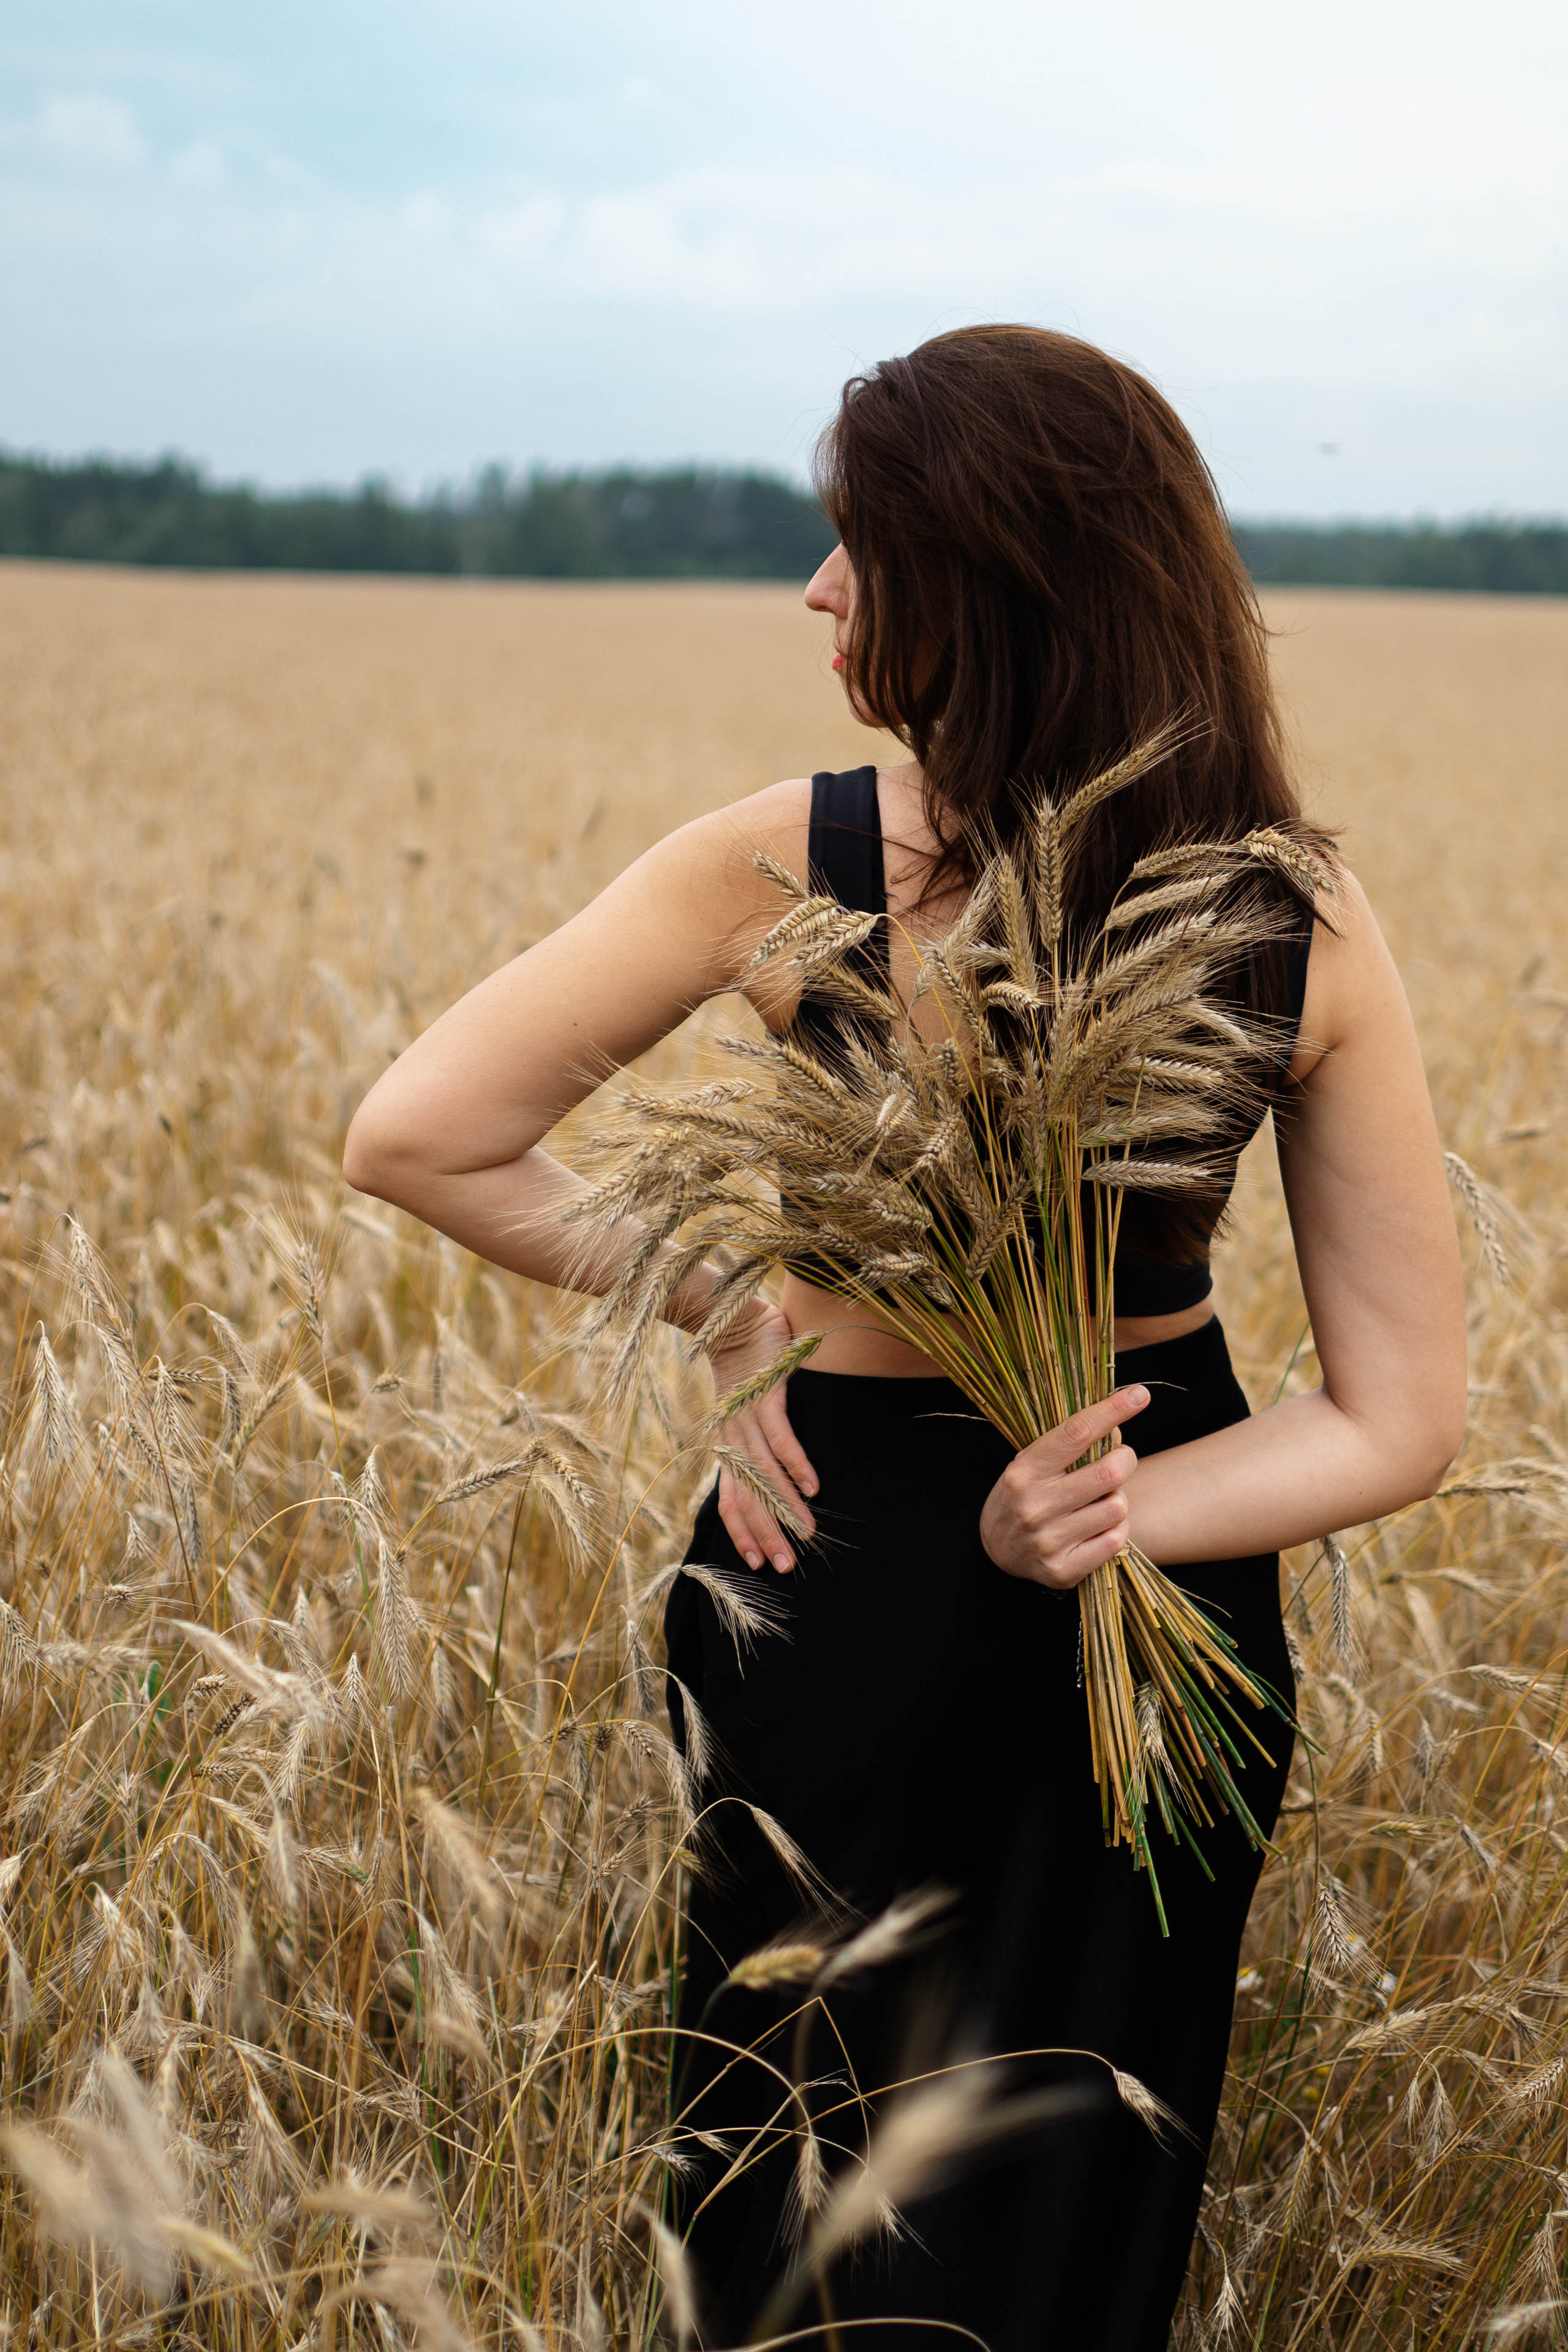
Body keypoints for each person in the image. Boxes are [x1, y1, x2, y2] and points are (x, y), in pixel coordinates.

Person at [344, 326, 1466, 2351]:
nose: (819, 589)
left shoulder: (792, 860)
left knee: (793, 2200)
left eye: (859, 542)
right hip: (1158, 1564)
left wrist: (730, 1306)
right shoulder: (1294, 907)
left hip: (842, 1568)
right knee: (1067, 2227)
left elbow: (419, 1133)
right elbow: (1395, 1413)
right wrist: (1132, 1516)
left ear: (992, 575)